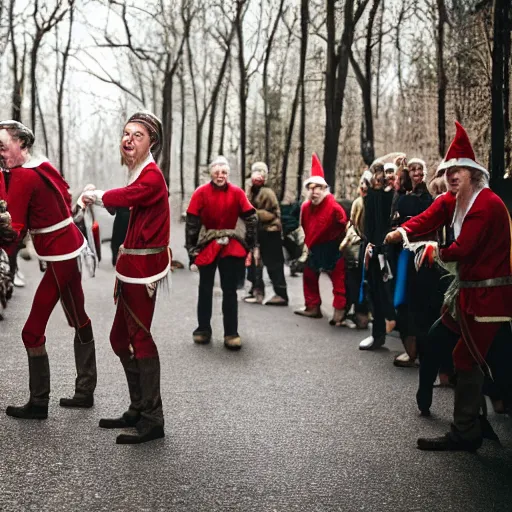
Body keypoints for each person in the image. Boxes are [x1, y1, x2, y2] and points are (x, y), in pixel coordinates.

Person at [386, 121, 512, 451]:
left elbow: (463, 249)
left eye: (460, 169)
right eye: (449, 170)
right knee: (441, 335)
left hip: (488, 297)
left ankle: (466, 429)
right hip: (466, 291)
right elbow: (428, 218)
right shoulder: (451, 199)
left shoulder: (485, 205)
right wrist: (403, 233)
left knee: (470, 357)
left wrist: (433, 250)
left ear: (474, 173)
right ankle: (438, 401)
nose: (453, 175)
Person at [82, 111, 170, 444]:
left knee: (140, 337)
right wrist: (102, 198)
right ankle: (138, 406)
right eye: (125, 133)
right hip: (129, 265)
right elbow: (123, 206)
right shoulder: (136, 172)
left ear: (152, 143)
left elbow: (129, 198)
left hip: (143, 269)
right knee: (120, 340)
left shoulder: (151, 175)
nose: (128, 139)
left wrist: (98, 195)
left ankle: (153, 417)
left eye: (138, 135)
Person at [0, 120, 96, 419]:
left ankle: (39, 402)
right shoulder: (43, 167)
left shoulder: (23, 176)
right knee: (78, 315)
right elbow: (63, 200)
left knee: (31, 332)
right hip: (68, 249)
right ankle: (85, 391)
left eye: (3, 147)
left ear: (22, 146)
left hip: (60, 254)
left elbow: (14, 229)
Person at [185, 156, 258, 350]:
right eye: (217, 172)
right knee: (205, 288)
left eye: (224, 172)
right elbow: (192, 223)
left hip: (231, 245)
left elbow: (251, 217)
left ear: (228, 174)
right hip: (209, 243)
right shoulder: (201, 193)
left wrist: (250, 245)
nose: (220, 176)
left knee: (230, 290)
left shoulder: (237, 192)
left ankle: (231, 333)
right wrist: (192, 251)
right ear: (211, 174)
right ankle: (203, 329)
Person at [294, 154, 347, 326]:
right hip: (315, 247)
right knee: (309, 275)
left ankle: (339, 311)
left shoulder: (334, 207)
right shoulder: (306, 207)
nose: (314, 191)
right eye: (311, 187)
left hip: (333, 247)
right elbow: (305, 225)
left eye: (318, 187)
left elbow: (343, 226)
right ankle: (312, 306)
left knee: (339, 280)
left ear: (324, 189)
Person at [358, 161, 396, 349]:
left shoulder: (389, 196)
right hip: (372, 249)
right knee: (373, 291)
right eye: (376, 174)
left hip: (385, 249)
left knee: (385, 292)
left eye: (382, 174)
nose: (378, 178)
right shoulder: (370, 196)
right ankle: (378, 333)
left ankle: (390, 325)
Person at [244, 161, 288, 306]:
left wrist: (254, 213)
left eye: (261, 172)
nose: (258, 175)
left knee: (273, 262)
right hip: (257, 232)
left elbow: (274, 214)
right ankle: (256, 290)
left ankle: (281, 293)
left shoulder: (267, 193)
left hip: (270, 232)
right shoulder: (250, 190)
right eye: (256, 171)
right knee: (254, 263)